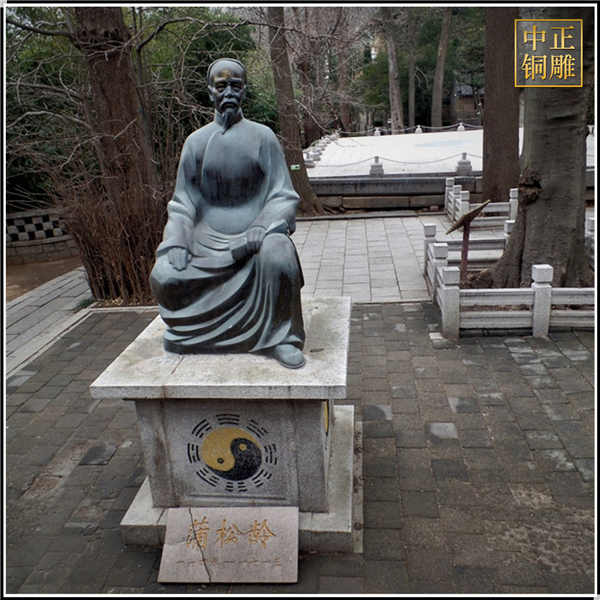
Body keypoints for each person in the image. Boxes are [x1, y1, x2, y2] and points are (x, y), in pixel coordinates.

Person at [150, 58, 306, 369]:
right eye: (222, 86)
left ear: (245, 90)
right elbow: (183, 202)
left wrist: (263, 225)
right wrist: (178, 241)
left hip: (255, 234)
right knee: (165, 276)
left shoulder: (263, 137)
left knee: (279, 257)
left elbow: (283, 194)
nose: (229, 93)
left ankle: (280, 336)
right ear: (210, 91)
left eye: (236, 85)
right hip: (206, 237)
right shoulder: (195, 142)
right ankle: (195, 336)